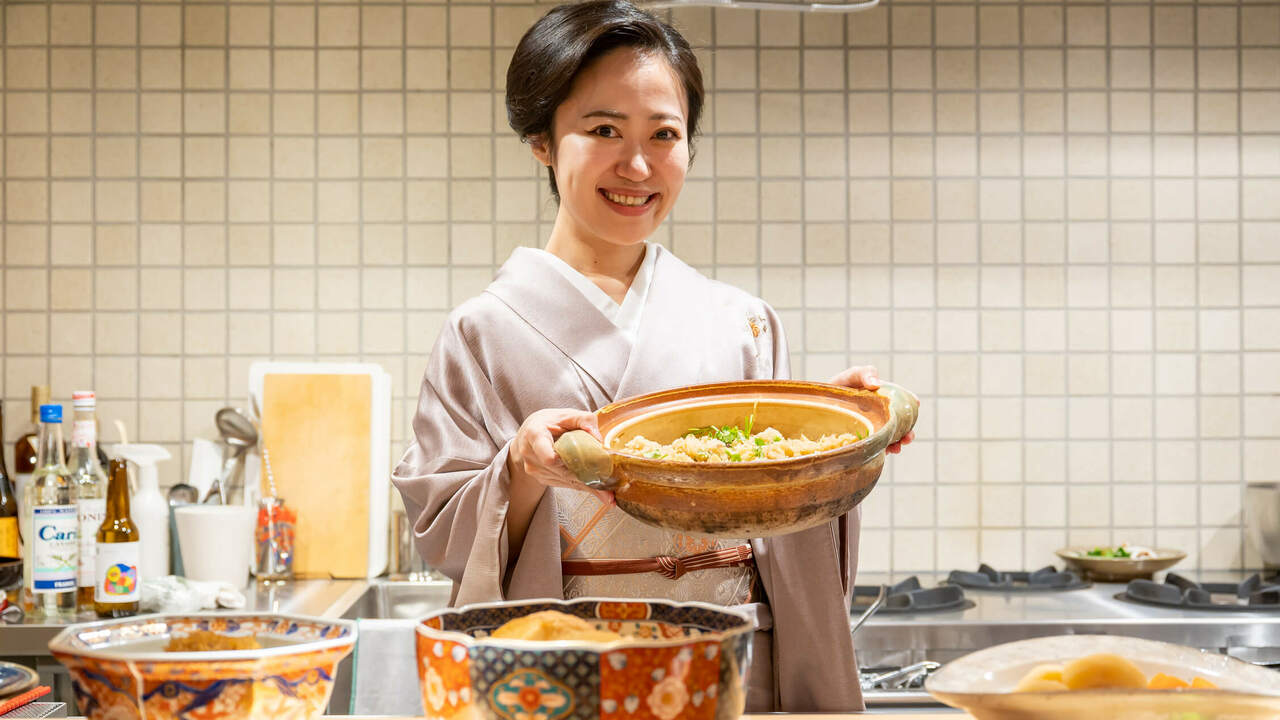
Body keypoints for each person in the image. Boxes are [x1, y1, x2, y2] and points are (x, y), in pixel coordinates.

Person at [392, 0, 913, 711]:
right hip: (570, 670)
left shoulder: (743, 323)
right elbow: (444, 527)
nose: (637, 165)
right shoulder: (482, 332)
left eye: (664, 134)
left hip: (731, 668)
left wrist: (829, 438)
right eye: (603, 129)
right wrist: (519, 468)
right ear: (543, 139)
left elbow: (784, 518)